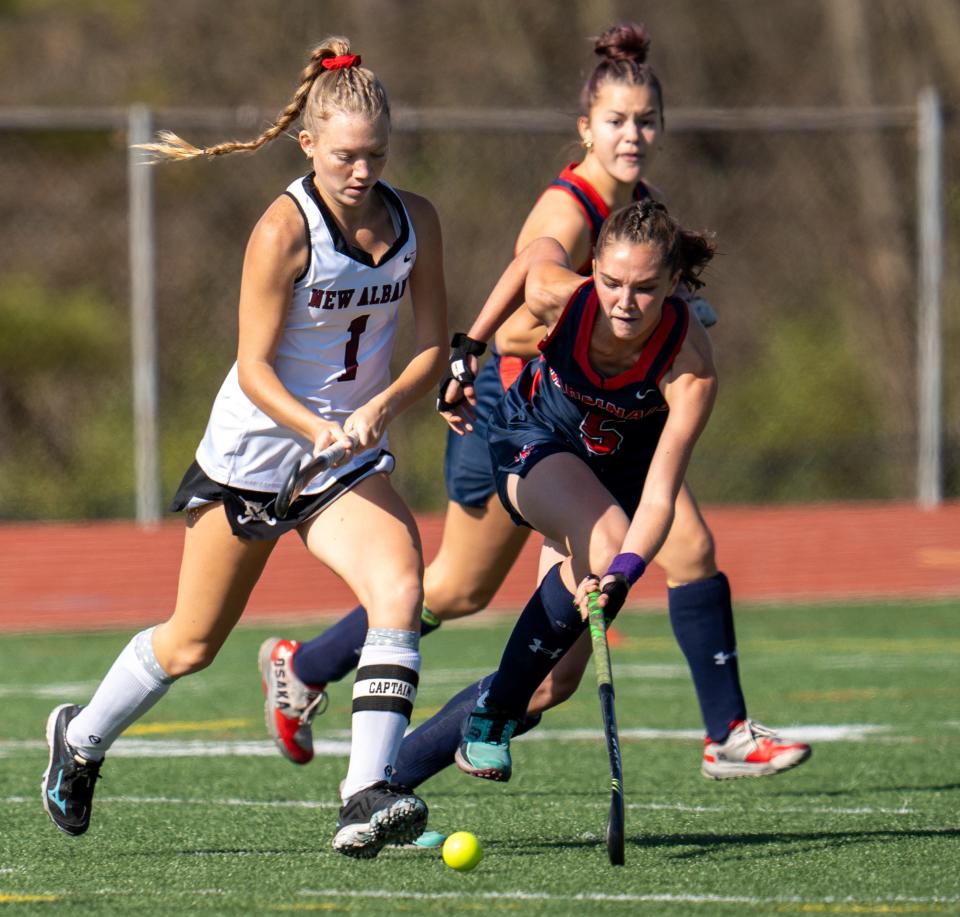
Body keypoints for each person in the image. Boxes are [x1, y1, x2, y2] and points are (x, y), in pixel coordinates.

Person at [260, 23, 809, 785]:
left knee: (670, 560)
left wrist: (666, 316)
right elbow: (527, 303)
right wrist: (481, 348)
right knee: (457, 586)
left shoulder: (641, 213)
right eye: (616, 121)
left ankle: (726, 731)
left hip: (605, 425)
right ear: (586, 127)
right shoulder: (572, 210)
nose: (634, 135)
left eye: (646, 121)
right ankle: (307, 663)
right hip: (521, 409)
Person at [40, 38, 448, 859]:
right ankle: (80, 739)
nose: (361, 172)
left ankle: (364, 792)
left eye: (374, 155)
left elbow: (435, 348)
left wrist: (378, 407)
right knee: (192, 641)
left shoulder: (418, 220)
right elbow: (255, 368)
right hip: (257, 453)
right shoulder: (281, 231)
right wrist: (315, 424)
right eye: (343, 157)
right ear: (308, 146)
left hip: (343, 459)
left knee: (401, 581)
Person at [446, 200, 808, 781]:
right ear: (594, 268)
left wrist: (627, 572)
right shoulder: (567, 280)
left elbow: (660, 493)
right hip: (535, 437)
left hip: (618, 463)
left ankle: (395, 773)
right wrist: (470, 347)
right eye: (611, 281)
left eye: (643, 287)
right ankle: (482, 712)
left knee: (560, 677)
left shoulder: (689, 360)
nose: (623, 300)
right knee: (458, 588)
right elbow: (535, 257)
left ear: (673, 285)